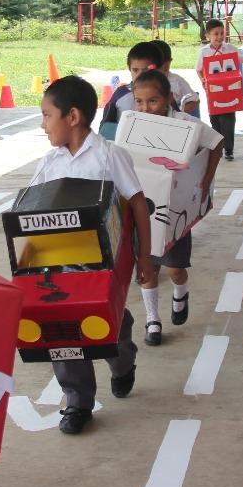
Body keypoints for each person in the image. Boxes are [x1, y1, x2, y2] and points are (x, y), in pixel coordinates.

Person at [34, 76, 153, 434]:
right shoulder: (48, 163)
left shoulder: (109, 156)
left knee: (108, 324)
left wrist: (144, 257)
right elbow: (31, 210)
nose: (43, 125)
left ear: (72, 117)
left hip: (102, 266)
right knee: (63, 332)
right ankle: (77, 402)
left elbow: (138, 205)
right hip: (58, 266)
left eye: (46, 115)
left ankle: (123, 361)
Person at [130, 70, 223, 345]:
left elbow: (217, 143)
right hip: (143, 210)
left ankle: (180, 293)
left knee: (174, 269)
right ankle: (152, 320)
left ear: (169, 98)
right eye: (139, 102)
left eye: (153, 101)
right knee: (148, 269)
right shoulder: (133, 123)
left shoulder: (186, 123)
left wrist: (205, 179)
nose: (145, 108)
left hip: (175, 212)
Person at [195, 18, 243, 160]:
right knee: (215, 122)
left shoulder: (229, 48)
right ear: (208, 36)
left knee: (228, 121)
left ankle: (229, 150)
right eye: (215, 34)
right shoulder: (203, 52)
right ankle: (218, 148)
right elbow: (198, 69)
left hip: (230, 93)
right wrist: (203, 82)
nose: (219, 37)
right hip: (213, 93)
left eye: (222, 33)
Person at [100, 41, 163, 127]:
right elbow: (105, 128)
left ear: (158, 70)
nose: (140, 75)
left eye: (145, 70)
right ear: (130, 69)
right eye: (135, 70)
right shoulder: (120, 95)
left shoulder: (165, 95)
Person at [152, 39, 200, 117]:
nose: (161, 74)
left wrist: (181, 112)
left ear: (170, 63)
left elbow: (194, 100)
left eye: (165, 69)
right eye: (156, 70)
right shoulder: (143, 83)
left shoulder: (176, 81)